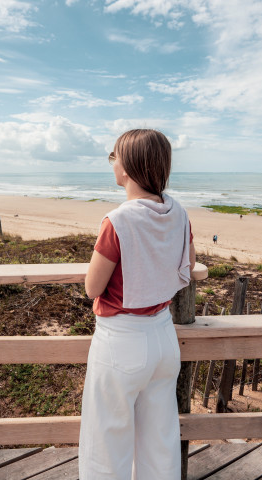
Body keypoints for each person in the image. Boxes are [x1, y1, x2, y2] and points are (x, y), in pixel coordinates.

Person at [80, 129, 195, 479]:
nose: (112, 162)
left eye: (114, 156)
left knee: (106, 442)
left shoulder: (118, 221)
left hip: (122, 340)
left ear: (128, 168)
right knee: (159, 442)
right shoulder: (179, 213)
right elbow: (187, 266)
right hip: (163, 337)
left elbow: (92, 287)